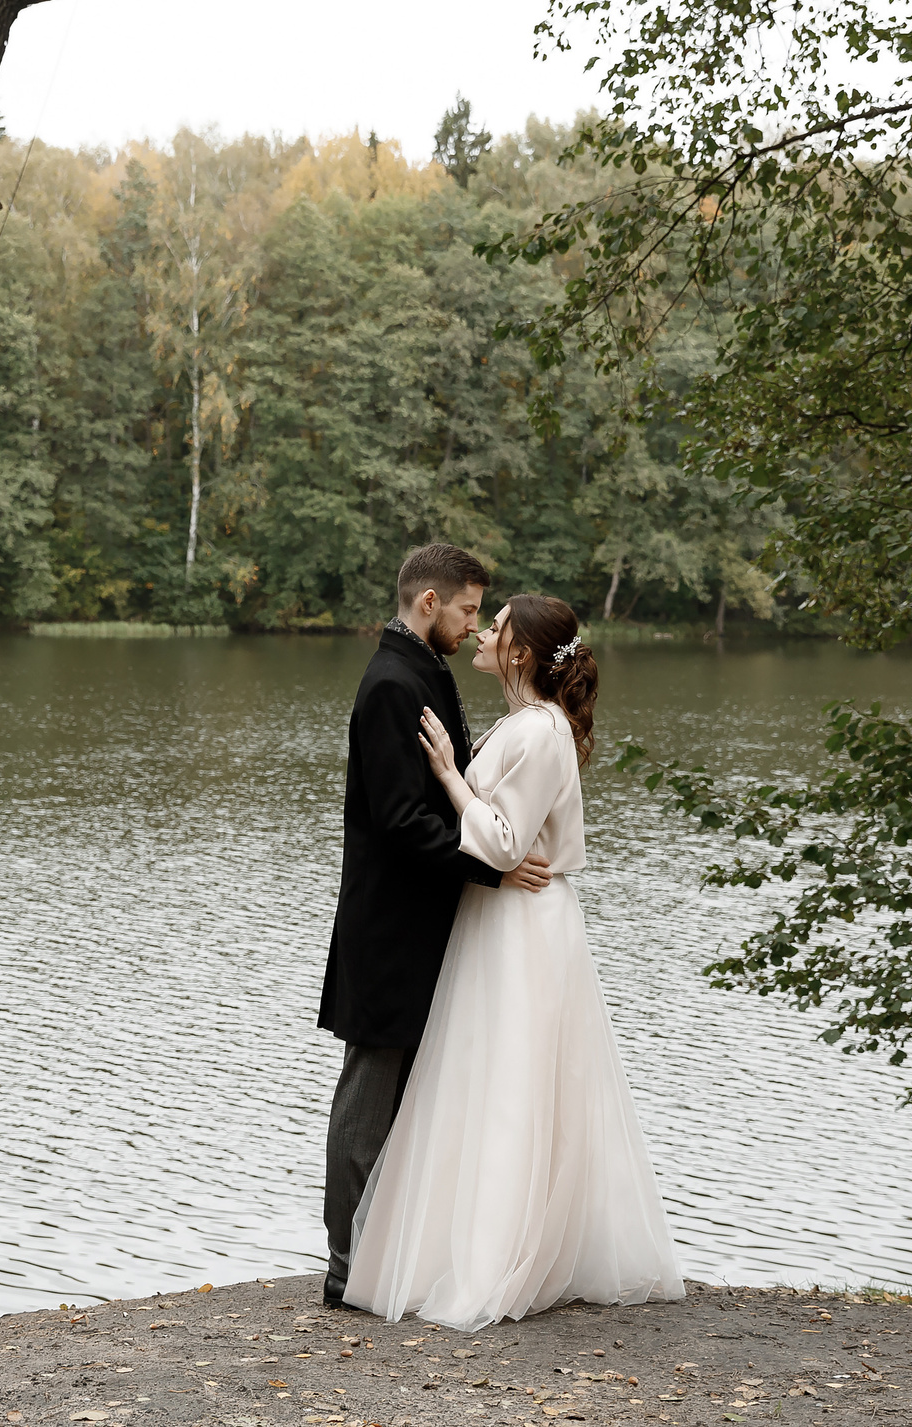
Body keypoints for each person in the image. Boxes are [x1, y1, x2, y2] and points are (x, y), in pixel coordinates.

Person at [343, 592, 684, 1330]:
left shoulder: (539, 731)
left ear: (522, 650)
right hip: (505, 919)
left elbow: (499, 843)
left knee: (508, 1086)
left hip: (521, 922)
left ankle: (496, 1262)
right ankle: (468, 1248)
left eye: (494, 625)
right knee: (488, 1080)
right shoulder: (527, 723)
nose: (482, 632)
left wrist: (446, 774)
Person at [319, 544, 553, 1311]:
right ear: (428, 604)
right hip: (389, 927)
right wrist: (491, 865)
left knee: (415, 1097)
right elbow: (398, 818)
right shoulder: (391, 682)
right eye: (466, 609)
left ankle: (396, 1255)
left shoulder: (422, 668)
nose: (473, 623)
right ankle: (349, 1266)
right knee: (370, 1094)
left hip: (426, 923)